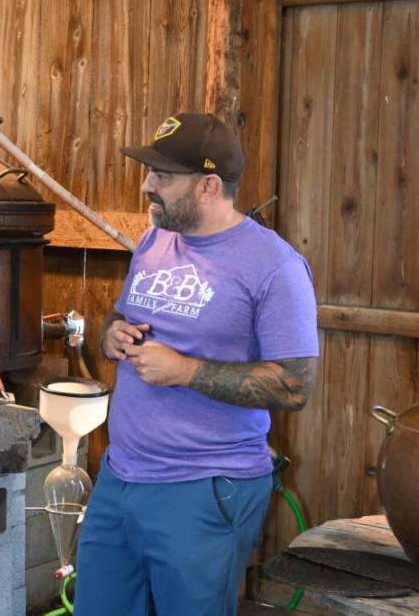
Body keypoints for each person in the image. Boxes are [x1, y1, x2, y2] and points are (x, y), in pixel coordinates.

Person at [74, 113, 319, 615]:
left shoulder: (276, 267)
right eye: (150, 173)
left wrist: (185, 371)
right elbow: (123, 314)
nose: (147, 186)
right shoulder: (155, 240)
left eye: (162, 176)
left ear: (209, 186)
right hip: (120, 477)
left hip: (204, 487)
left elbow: (295, 386)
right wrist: (110, 333)